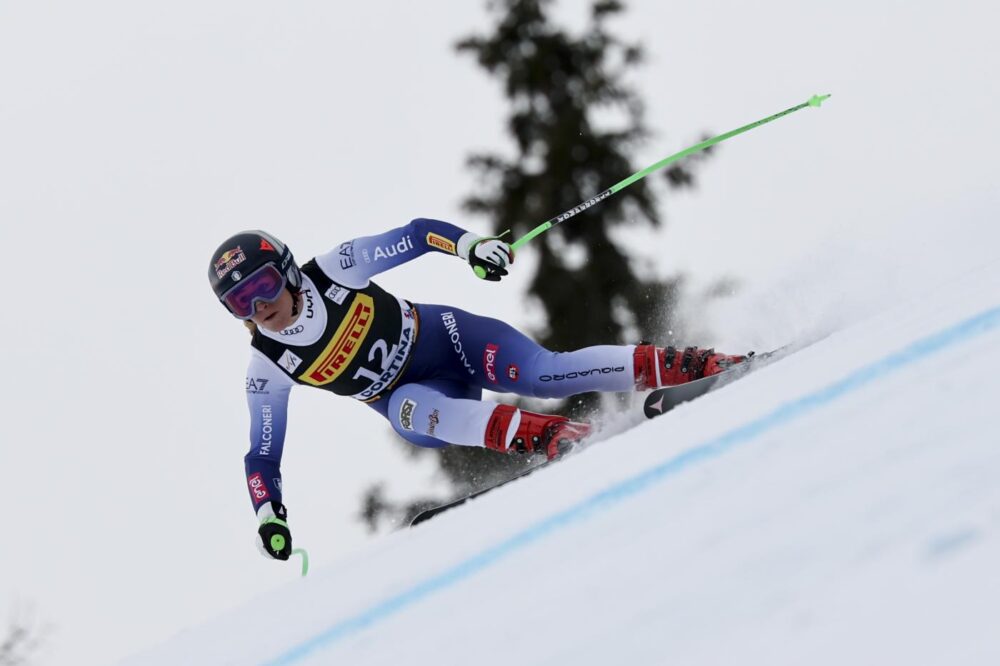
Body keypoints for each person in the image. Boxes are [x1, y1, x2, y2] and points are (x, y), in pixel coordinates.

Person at [208, 219, 747, 561]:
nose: (259, 310)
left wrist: (471, 247)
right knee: (410, 413)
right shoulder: (268, 365)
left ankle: (693, 364)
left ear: (286, 273)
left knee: (544, 373)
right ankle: (556, 436)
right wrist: (268, 513)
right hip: (422, 398)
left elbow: (418, 234)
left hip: (451, 341)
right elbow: (261, 453)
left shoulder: (334, 271)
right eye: (241, 305)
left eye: (263, 288)